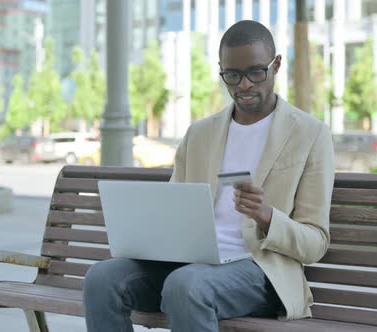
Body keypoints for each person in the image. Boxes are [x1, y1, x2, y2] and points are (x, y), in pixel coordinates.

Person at [83, 20, 335, 332]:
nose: (243, 85)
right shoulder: (199, 134)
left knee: (186, 285)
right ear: (221, 70)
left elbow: (316, 243)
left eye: (256, 72)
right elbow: (174, 212)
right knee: (102, 278)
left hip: (261, 271)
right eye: (232, 75)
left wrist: (266, 215)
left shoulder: (310, 134)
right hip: (190, 267)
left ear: (276, 65)